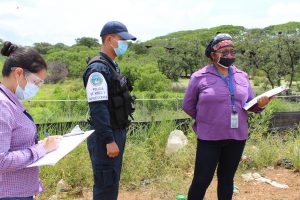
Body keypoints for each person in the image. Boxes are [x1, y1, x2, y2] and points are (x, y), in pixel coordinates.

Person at [183, 33, 271, 200]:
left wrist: (260, 104)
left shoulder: (242, 76)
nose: (229, 55)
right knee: (201, 180)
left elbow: (250, 104)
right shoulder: (199, 77)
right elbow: (188, 106)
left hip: (237, 137)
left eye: (232, 51)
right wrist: (207, 119)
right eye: (224, 51)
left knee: (226, 179)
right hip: (209, 138)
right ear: (212, 54)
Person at [0, 41, 61, 200]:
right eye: (35, 82)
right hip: (9, 194)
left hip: (19, 191)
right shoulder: (2, 105)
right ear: (18, 73)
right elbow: (1, 160)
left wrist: (40, 144)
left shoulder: (10, 100)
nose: (37, 88)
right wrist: (41, 150)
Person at [83, 21, 136, 200]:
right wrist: (109, 140)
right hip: (106, 136)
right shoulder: (97, 69)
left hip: (116, 132)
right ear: (109, 39)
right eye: (123, 40)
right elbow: (98, 109)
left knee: (112, 182)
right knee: (106, 185)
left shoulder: (111, 64)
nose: (125, 45)